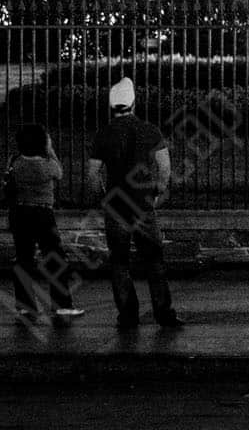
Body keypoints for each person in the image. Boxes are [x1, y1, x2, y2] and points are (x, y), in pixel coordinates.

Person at [87, 77, 184, 331]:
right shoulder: (149, 130)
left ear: (112, 105)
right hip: (142, 203)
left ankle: (128, 315)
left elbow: (92, 174)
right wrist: (158, 191)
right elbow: (164, 167)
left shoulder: (103, 134)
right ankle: (164, 313)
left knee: (119, 261)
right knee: (154, 260)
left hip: (116, 205)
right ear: (133, 102)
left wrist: (101, 197)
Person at [5, 122, 85, 321]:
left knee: (24, 258)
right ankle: (62, 305)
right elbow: (60, 172)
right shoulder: (47, 165)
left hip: (20, 213)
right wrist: (50, 150)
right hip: (42, 214)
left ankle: (25, 306)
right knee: (54, 258)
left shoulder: (15, 162)